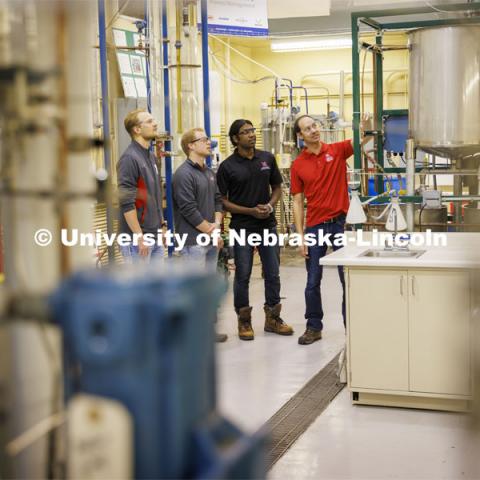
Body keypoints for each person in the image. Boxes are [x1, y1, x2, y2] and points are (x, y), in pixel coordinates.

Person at [291, 114, 370, 345]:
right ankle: (313, 327)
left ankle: (351, 326)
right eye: (307, 128)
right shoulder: (298, 165)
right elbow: (297, 201)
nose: (314, 130)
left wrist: (362, 129)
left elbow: (360, 141)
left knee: (347, 278)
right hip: (314, 227)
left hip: (339, 224)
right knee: (313, 280)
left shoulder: (336, 150)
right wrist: (300, 237)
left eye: (315, 125)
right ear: (300, 135)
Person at [217, 119, 293, 341]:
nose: (251, 134)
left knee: (272, 272)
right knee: (242, 275)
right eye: (245, 132)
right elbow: (222, 200)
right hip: (242, 227)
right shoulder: (227, 166)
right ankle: (244, 321)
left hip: (267, 225)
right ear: (235, 139)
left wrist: (270, 206)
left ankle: (272, 318)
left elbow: (277, 186)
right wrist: (249, 211)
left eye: (252, 131)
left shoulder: (267, 159)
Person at [172, 127, 227, 343]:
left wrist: (217, 226)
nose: (208, 142)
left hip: (209, 238)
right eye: (203, 139)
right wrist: (212, 231)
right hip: (193, 242)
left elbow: (218, 200)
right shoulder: (183, 174)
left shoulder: (208, 172)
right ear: (190, 146)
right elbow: (188, 209)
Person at [117, 108, 165, 263]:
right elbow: (126, 202)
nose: (155, 124)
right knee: (139, 287)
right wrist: (139, 236)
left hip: (155, 235)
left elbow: (156, 196)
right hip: (137, 239)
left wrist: (162, 227)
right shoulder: (129, 159)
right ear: (137, 129)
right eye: (150, 121)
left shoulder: (151, 157)